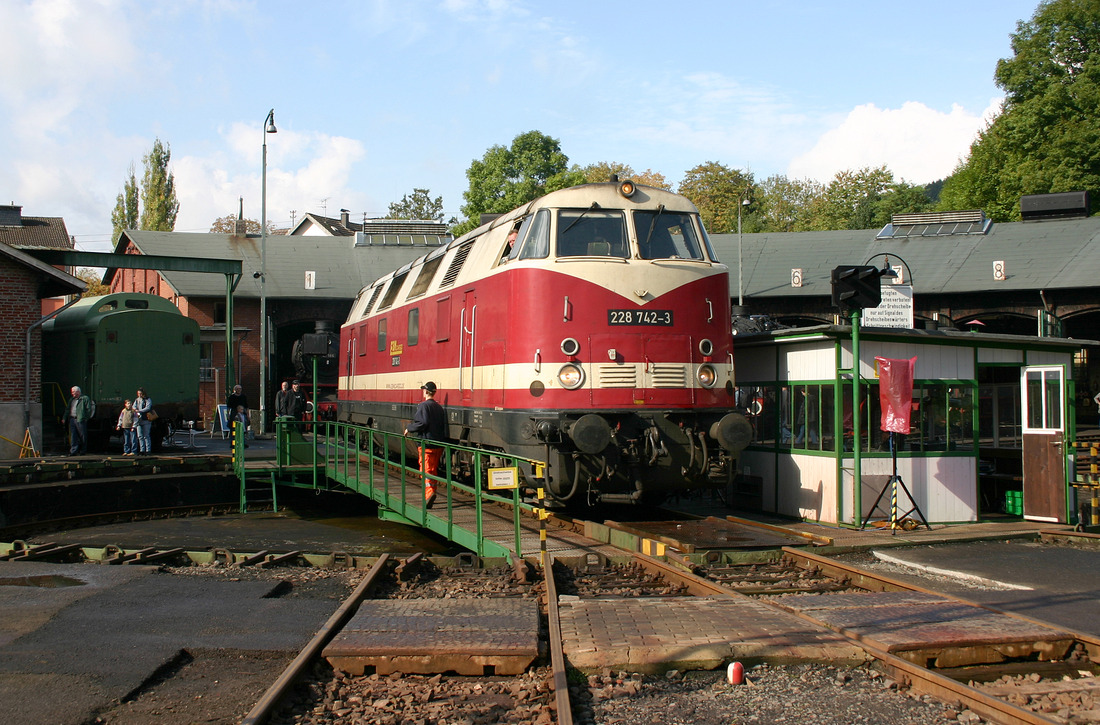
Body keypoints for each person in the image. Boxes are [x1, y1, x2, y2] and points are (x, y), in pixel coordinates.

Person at [403, 382, 446, 507]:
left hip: (426, 443)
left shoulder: (423, 406)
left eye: (423, 390)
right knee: (433, 469)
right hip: (438, 444)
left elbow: (422, 422)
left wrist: (409, 428)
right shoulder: (439, 408)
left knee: (426, 470)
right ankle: (433, 491)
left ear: (426, 392)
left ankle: (429, 493)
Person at [68, 386, 94, 455]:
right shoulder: (72, 399)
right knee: (73, 435)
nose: (72, 393)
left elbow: (88, 409)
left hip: (80, 419)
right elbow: (68, 409)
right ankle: (73, 451)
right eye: (72, 392)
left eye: (73, 392)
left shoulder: (84, 398)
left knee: (82, 435)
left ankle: (83, 450)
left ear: (78, 392)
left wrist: (85, 418)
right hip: (72, 419)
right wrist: (64, 418)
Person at [133, 387, 153, 455]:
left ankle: (148, 450)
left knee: (146, 435)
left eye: (141, 393)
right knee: (140, 436)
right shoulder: (137, 400)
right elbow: (134, 406)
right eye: (138, 393)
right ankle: (142, 450)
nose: (139, 395)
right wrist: (135, 410)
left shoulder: (147, 399)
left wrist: (140, 411)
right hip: (138, 420)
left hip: (146, 419)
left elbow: (148, 407)